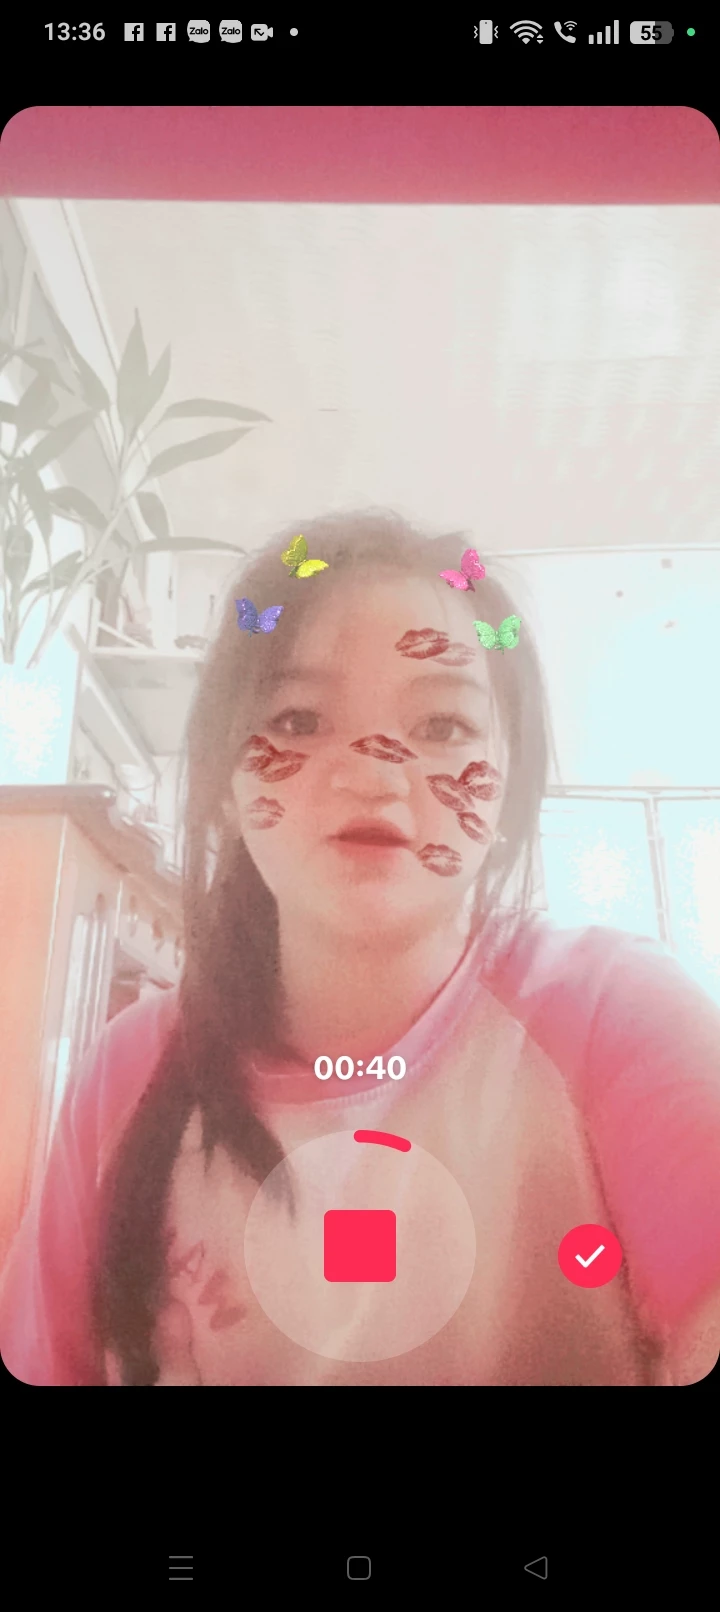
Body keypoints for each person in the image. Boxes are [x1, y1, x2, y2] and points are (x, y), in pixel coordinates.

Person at [1, 509, 719, 1387]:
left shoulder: (618, 1016)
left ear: (506, 791)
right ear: (225, 785)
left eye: (444, 728)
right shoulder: (130, 1074)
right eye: (299, 719)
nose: (375, 773)